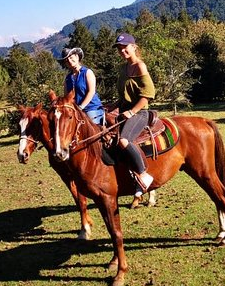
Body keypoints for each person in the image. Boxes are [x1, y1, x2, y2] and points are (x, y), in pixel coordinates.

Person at [110, 33, 155, 193]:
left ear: (134, 47)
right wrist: (112, 105)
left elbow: (148, 94)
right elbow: (124, 95)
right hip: (123, 111)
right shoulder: (124, 68)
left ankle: (143, 174)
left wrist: (132, 111)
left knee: (123, 141)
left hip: (140, 112)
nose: (122, 51)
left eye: (125, 47)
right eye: (119, 49)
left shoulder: (140, 66)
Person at [57, 47, 105, 126]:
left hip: (91, 108)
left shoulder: (87, 72)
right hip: (75, 110)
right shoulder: (68, 78)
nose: (69, 61)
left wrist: (81, 107)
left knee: (91, 128)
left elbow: (91, 92)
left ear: (77, 57)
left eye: (71, 57)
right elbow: (66, 97)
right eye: (66, 60)